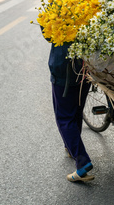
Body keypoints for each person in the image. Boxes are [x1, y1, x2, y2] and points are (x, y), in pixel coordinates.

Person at [47, 35, 94, 183]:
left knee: (65, 117)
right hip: (85, 66)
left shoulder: (54, 10)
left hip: (64, 69)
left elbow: (48, 35)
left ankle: (82, 163)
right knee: (76, 110)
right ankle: (71, 147)